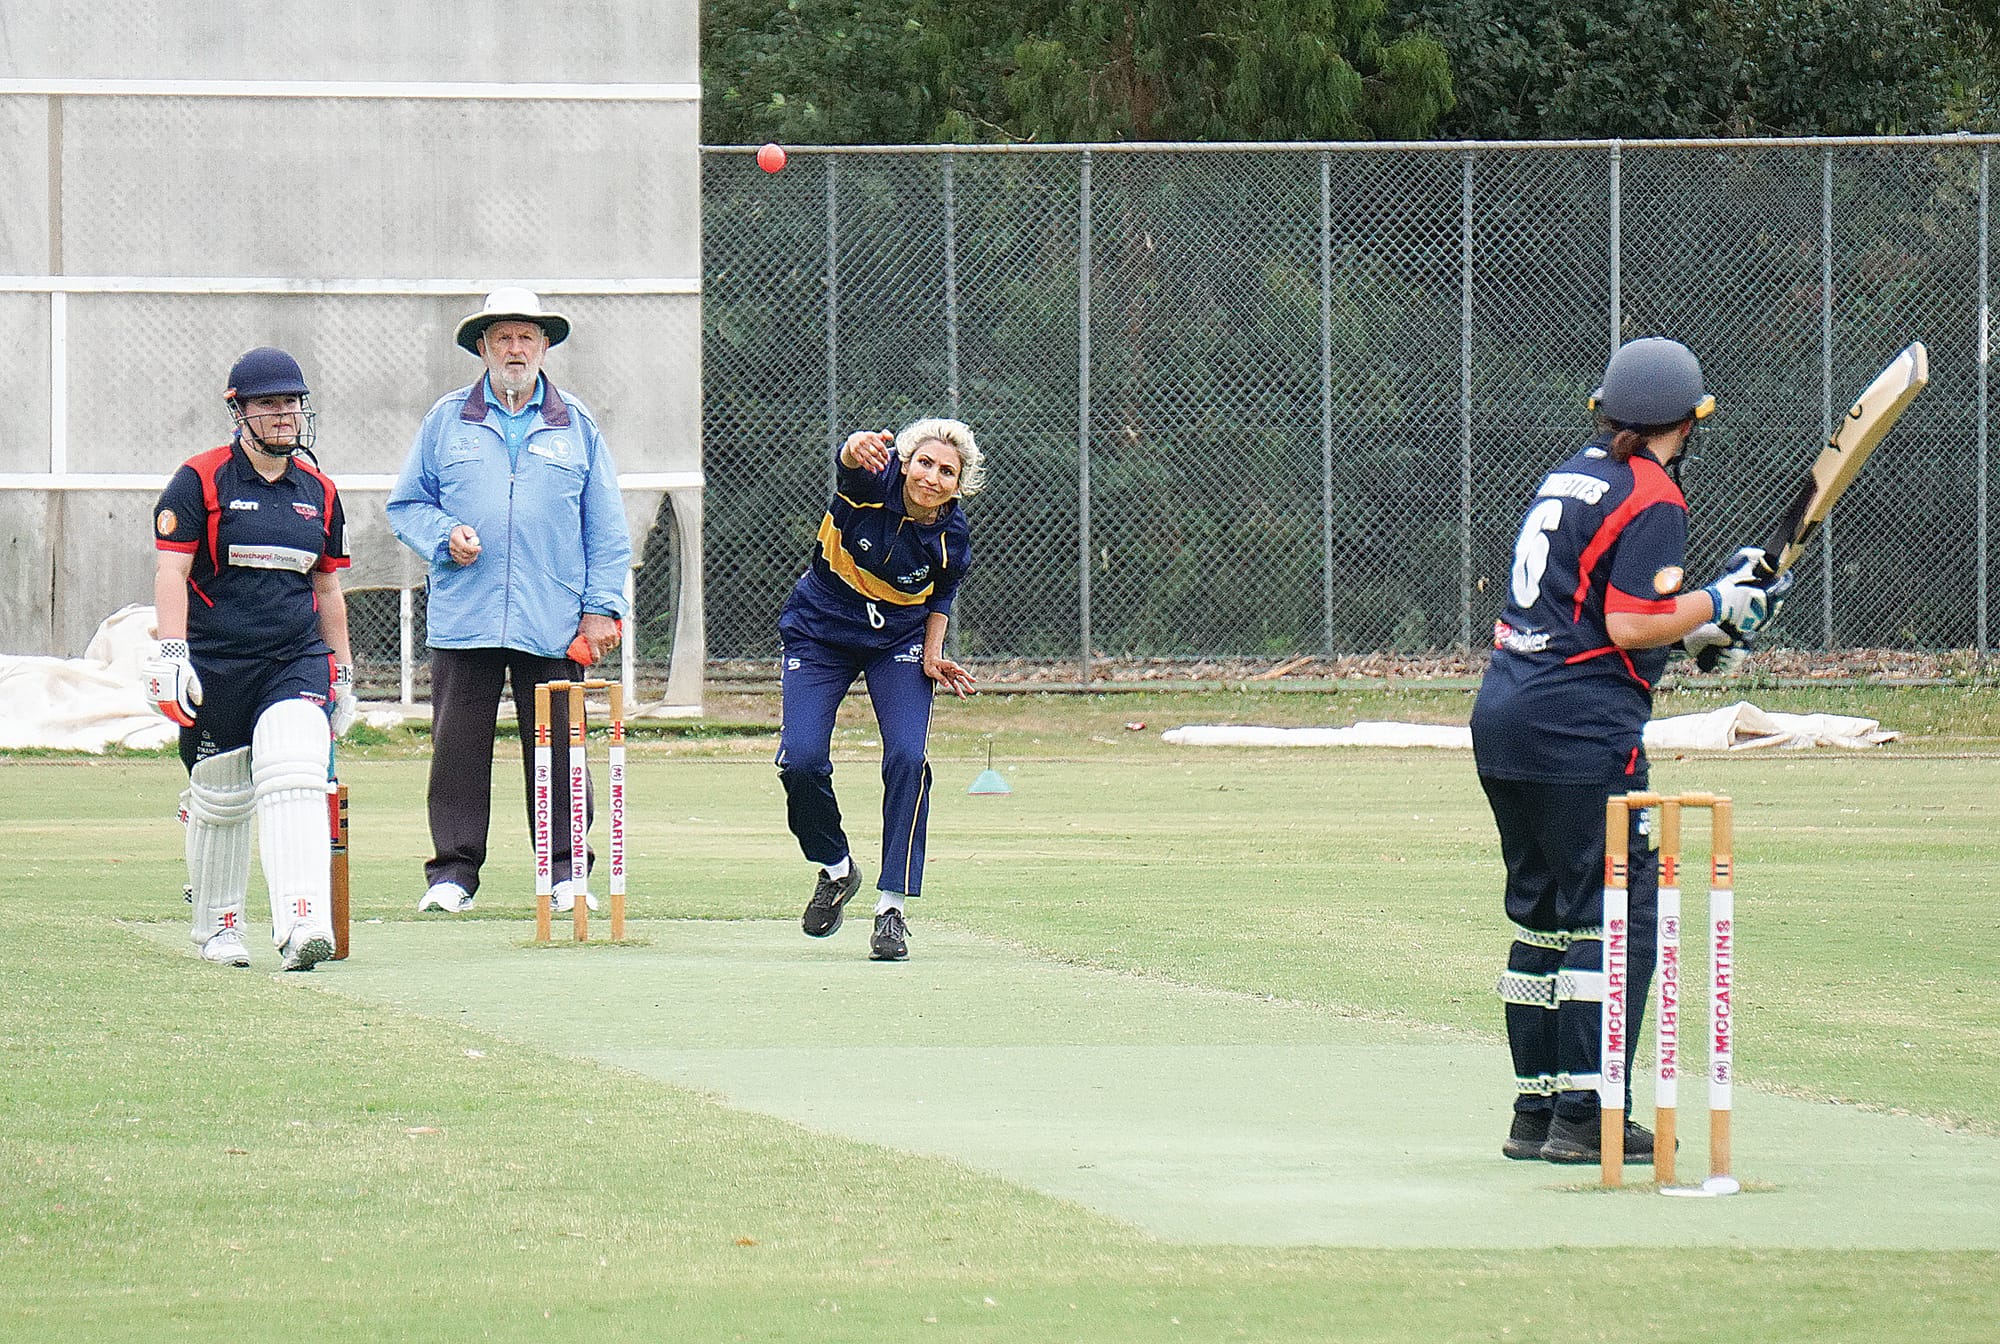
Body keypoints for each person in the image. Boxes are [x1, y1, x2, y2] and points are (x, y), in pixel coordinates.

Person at [1471, 337, 1784, 1164]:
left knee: (1542, 919)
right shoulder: (1653, 493)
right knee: (1614, 915)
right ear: (1688, 421)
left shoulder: (1571, 474)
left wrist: (1705, 630)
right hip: (1579, 729)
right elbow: (1627, 623)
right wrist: (1719, 600)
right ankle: (1588, 1115)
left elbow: (1597, 618)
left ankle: (1537, 1113)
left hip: (1506, 713)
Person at [387, 288, 631, 916]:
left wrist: (600, 607)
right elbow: (406, 506)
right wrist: (444, 536)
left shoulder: (578, 424)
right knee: (457, 748)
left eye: (527, 336)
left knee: (559, 752)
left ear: (545, 346)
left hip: (553, 619)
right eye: (503, 337)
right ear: (484, 348)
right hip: (464, 616)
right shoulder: (447, 420)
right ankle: (453, 874)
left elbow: (605, 530)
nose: (515, 348)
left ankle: (565, 872)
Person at [144, 347, 356, 971]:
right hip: (217, 660)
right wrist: (173, 652)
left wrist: (341, 671)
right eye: (269, 403)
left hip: (294, 656)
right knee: (223, 794)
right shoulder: (201, 478)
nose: (285, 414)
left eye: (292, 402)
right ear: (239, 411)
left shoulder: (319, 490)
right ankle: (218, 925)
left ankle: (301, 922)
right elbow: (171, 570)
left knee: (294, 766)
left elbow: (327, 588)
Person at [780, 420, 983, 961]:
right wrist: (852, 447)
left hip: (897, 644)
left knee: (908, 758)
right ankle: (837, 868)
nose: (932, 478)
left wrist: (935, 653)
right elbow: (849, 466)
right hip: (819, 633)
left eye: (947, 472)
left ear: (959, 484)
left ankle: (890, 908)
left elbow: (941, 597)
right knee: (799, 761)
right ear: (905, 461)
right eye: (925, 463)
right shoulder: (872, 482)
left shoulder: (951, 537)